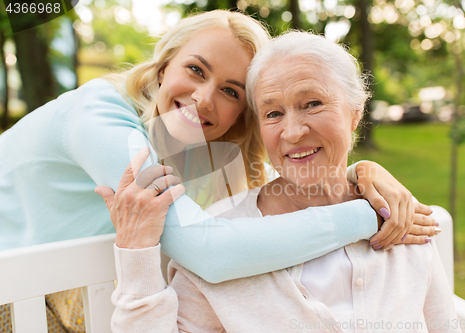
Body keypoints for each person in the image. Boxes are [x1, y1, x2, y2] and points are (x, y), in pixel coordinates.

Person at [0, 10, 434, 331]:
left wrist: (357, 174)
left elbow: (288, 182)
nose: (205, 100)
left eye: (230, 91)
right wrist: (369, 215)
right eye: (195, 70)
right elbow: (210, 252)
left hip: (54, 295)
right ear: (164, 63)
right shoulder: (96, 112)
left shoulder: (194, 146)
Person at [108, 31, 457, 332]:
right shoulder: (220, 235)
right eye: (273, 113)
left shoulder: (402, 217)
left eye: (312, 103)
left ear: (355, 113)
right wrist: (135, 254)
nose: (292, 132)